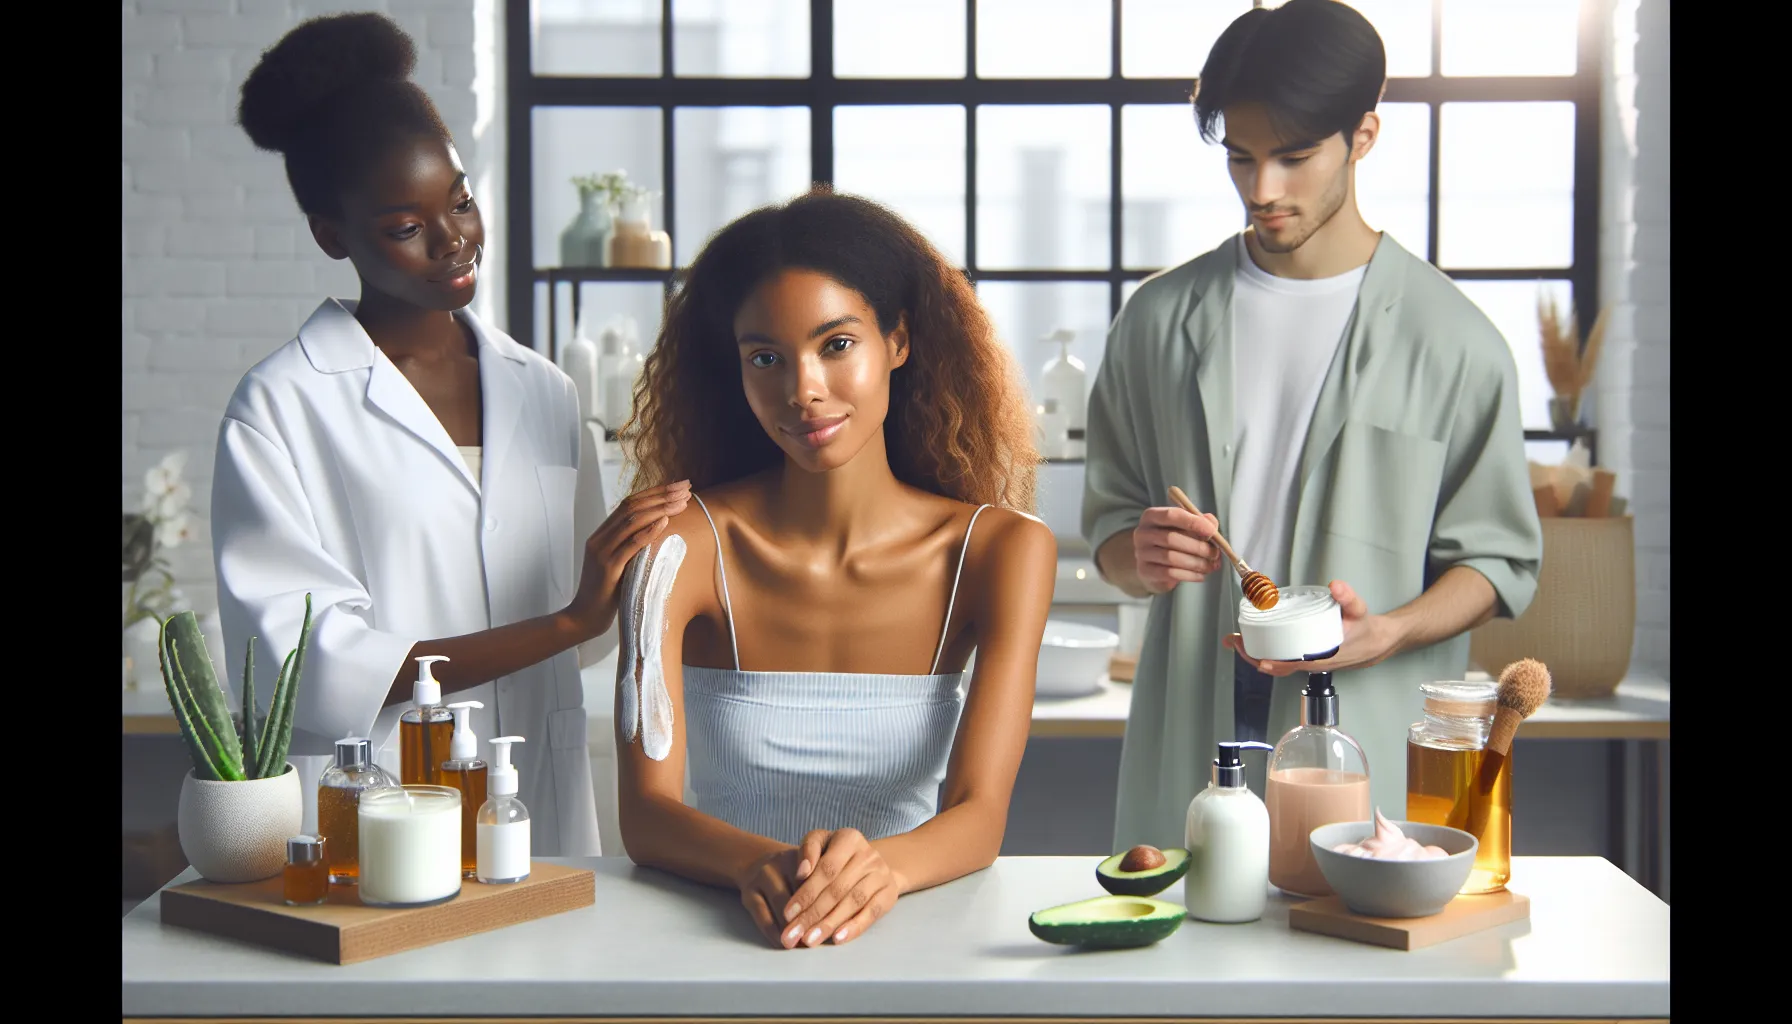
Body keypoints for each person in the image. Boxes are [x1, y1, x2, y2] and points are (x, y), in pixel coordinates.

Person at [1081, 0, 1543, 849]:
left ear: (1363, 136)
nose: (1264, 190)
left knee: (1357, 952)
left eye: (1294, 158)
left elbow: (1498, 560)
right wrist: (1137, 555)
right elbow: (1110, 523)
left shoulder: (1457, 342)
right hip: (1193, 724)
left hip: (1364, 741)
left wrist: (1390, 631)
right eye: (1242, 158)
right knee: (1178, 948)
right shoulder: (1154, 322)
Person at [211, 13, 647, 855]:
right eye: (407, 228)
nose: (454, 241)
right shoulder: (280, 407)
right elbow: (310, 671)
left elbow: (593, 630)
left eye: (461, 201)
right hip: (376, 815)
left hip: (534, 808)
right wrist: (565, 623)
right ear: (331, 236)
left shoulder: (546, 393)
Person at [608, 189, 1057, 949]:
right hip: (722, 942)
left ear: (900, 341)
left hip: (919, 942)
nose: (803, 389)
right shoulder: (675, 547)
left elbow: (979, 813)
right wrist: (763, 866)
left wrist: (875, 874)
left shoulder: (1001, 550)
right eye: (766, 358)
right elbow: (646, 816)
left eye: (837, 345)